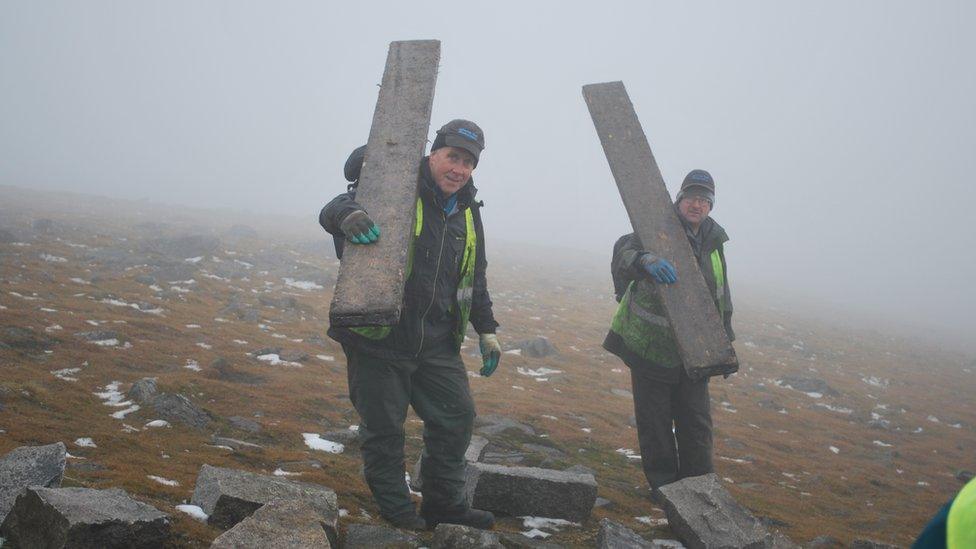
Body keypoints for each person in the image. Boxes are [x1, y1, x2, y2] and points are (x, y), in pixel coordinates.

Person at [319, 120, 502, 530]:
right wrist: (348, 216)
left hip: (437, 344)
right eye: (452, 157)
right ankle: (398, 513)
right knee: (384, 430)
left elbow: (475, 276)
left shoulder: (468, 211)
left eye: (468, 162)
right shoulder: (398, 186)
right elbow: (335, 207)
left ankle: (444, 505)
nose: (459, 169)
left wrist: (486, 330)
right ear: (433, 154)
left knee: (456, 420)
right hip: (379, 339)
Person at [603, 169, 734, 494]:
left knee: (697, 423)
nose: (697, 205)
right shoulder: (657, 225)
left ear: (710, 206)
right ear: (679, 199)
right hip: (650, 346)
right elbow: (624, 250)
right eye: (691, 197)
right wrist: (645, 259)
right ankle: (665, 491)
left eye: (704, 200)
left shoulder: (714, 240)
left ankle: (700, 488)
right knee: (656, 425)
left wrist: (724, 345)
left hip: (695, 350)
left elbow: (720, 295)